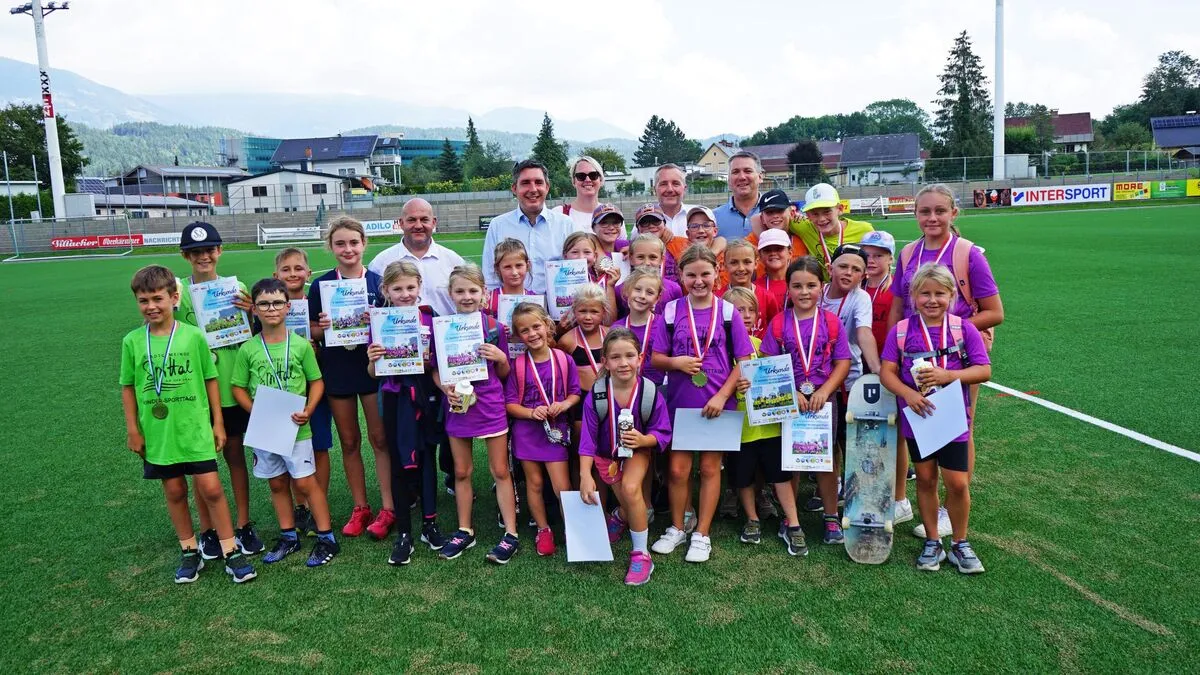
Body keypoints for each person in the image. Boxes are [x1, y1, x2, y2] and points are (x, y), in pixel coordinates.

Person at [119, 265, 256, 583]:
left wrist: (218, 422)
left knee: (211, 488)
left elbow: (210, 379)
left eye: (157, 298)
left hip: (195, 426)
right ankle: (189, 551)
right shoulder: (133, 342)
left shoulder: (194, 336)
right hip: (159, 431)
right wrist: (133, 429)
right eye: (143, 300)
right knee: (176, 490)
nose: (151, 306)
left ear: (174, 297)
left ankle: (230, 552)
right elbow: (127, 387)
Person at [887, 184, 1003, 539]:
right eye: (925, 211)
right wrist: (895, 343)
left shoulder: (969, 254)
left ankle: (951, 506)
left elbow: (995, 312)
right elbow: (897, 306)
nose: (932, 218)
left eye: (940, 210)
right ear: (916, 215)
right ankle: (910, 498)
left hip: (958, 356)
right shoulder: (908, 253)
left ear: (954, 213)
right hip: (913, 354)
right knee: (917, 420)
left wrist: (949, 331)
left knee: (959, 425)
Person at [880, 263, 992, 574]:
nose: (932, 300)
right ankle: (932, 541)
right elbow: (886, 372)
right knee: (926, 479)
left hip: (952, 418)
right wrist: (909, 394)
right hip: (918, 418)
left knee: (957, 483)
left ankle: (960, 542)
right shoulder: (901, 332)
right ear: (913, 296)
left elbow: (984, 370)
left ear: (952, 295)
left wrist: (948, 375)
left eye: (940, 294)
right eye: (925, 294)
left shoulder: (963, 328)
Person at [650, 245, 754, 563]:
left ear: (716, 274)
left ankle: (703, 533)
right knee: (679, 471)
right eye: (691, 274)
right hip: (681, 406)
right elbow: (655, 358)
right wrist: (677, 363)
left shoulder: (727, 311)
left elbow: (745, 359)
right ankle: (679, 526)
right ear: (680, 275)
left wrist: (723, 395)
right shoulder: (670, 312)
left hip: (718, 406)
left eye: (705, 274)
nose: (698, 281)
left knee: (710, 468)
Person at [231, 278, 339, 568]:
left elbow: (316, 382)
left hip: (297, 426)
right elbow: (238, 387)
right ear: (254, 309)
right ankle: (289, 536)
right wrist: (255, 411)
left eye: (277, 302)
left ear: (288, 307)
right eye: (264, 304)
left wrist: (309, 408)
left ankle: (327, 537)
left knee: (304, 482)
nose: (271, 309)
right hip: (265, 427)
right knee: (278, 483)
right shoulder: (248, 349)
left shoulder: (301, 345)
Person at [173, 221, 263, 559]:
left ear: (219, 251)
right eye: (196, 252)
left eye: (209, 250)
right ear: (185, 255)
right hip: (197, 392)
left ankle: (243, 524)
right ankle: (209, 530)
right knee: (202, 464)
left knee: (236, 458)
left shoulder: (235, 287)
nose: (203, 256)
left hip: (232, 387)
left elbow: (252, 332)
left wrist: (251, 311)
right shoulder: (178, 291)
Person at [309, 216, 394, 540]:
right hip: (338, 369)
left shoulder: (377, 283)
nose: (348, 249)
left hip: (371, 368)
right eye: (340, 243)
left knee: (380, 438)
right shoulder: (320, 286)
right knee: (349, 441)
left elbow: (391, 323)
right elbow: (313, 330)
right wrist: (326, 326)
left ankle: (388, 507)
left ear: (364, 244)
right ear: (331, 247)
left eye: (353, 242)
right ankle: (361, 507)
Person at [433, 264, 522, 564]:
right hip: (459, 405)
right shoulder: (442, 327)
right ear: (451, 294)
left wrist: (499, 357)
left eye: (473, 290)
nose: (467, 296)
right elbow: (436, 369)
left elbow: (506, 371)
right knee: (461, 471)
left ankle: (511, 533)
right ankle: (464, 529)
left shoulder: (495, 327)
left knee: (500, 471)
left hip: (490, 404)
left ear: (484, 293)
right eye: (460, 291)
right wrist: (444, 387)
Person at [760, 257, 851, 546]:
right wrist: (790, 391)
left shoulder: (832, 322)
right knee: (791, 459)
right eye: (797, 286)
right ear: (787, 288)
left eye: (811, 285)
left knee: (824, 460)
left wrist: (826, 391)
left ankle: (831, 516)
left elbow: (843, 362)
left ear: (821, 288)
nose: (804, 292)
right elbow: (768, 362)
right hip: (790, 400)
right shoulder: (778, 323)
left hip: (823, 401)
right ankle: (791, 516)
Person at [366, 261, 447, 566]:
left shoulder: (430, 317)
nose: (405, 294)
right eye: (397, 288)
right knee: (400, 463)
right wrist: (374, 359)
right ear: (385, 290)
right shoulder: (378, 321)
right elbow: (372, 373)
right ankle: (404, 533)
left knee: (427, 458)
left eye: (410, 287)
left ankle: (429, 523)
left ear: (419, 287)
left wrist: (427, 361)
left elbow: (439, 363)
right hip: (395, 399)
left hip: (427, 396)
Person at [579, 328, 673, 586]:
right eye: (616, 357)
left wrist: (644, 440)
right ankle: (620, 516)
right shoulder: (597, 394)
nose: (623, 363)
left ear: (640, 358)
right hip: (606, 458)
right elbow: (587, 439)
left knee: (632, 490)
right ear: (605, 362)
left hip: (637, 451)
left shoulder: (649, 392)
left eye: (630, 355)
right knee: (630, 506)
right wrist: (585, 475)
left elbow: (662, 432)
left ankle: (641, 556)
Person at [725, 286, 807, 556]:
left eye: (750, 310)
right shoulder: (722, 350)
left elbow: (780, 378)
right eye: (739, 310)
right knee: (743, 477)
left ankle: (793, 522)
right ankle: (752, 518)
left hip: (771, 426)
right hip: (740, 428)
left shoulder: (763, 347)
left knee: (780, 475)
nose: (745, 316)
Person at [505, 303, 581, 557]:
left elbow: (575, 393)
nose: (532, 334)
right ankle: (543, 529)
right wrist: (530, 412)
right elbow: (511, 404)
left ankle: (573, 529)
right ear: (518, 335)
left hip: (555, 432)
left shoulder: (564, 359)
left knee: (562, 486)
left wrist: (564, 404)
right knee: (534, 483)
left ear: (548, 325)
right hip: (527, 432)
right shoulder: (518, 365)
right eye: (524, 330)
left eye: (536, 326)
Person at [272, 247, 334, 536]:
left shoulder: (317, 303)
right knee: (286, 445)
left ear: (308, 273)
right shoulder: (269, 305)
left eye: (299, 268)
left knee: (318, 445)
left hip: (314, 388)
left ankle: (316, 501)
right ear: (276, 275)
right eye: (286, 269)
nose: (293, 274)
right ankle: (301, 507)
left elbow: (328, 337)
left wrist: (319, 337)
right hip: (280, 388)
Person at [482, 159, 584, 293]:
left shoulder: (566, 225)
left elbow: (577, 275)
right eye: (525, 183)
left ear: (547, 187)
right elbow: (491, 278)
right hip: (512, 310)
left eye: (538, 182)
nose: (533, 189)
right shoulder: (498, 225)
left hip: (555, 310)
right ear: (514, 188)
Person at [368, 198, 465, 317]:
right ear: (401, 223)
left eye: (424, 219)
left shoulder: (454, 261)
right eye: (412, 220)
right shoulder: (380, 263)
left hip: (446, 333)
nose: (418, 225)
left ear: (433, 222)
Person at [787, 183, 875, 281]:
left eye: (827, 211)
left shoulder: (864, 230)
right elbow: (779, 220)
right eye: (815, 214)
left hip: (855, 290)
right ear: (808, 215)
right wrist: (790, 210)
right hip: (825, 293)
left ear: (840, 209)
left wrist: (886, 276)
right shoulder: (803, 227)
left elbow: (879, 257)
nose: (821, 219)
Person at [553, 156, 623, 237]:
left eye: (593, 175)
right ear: (573, 181)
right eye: (581, 176)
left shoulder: (614, 214)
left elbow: (622, 247)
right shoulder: (558, 214)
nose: (587, 180)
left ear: (600, 179)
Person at [615, 234, 683, 316]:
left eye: (653, 257)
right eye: (640, 257)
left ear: (662, 259)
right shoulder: (620, 290)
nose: (647, 263)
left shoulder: (674, 289)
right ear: (631, 259)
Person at [722, 238, 779, 336]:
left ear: (756, 264)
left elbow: (775, 330)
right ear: (725, 265)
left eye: (747, 262)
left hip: (760, 351)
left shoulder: (767, 297)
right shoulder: (718, 298)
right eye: (734, 262)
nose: (741, 268)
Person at [746, 189, 809, 278]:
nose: (775, 216)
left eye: (780, 211)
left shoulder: (803, 238)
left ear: (791, 213)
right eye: (769, 212)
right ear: (762, 218)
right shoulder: (750, 243)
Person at [633, 203, 690, 286]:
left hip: (676, 295)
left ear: (664, 224)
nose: (651, 226)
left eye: (656, 221)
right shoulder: (632, 248)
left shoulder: (682, 244)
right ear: (638, 229)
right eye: (645, 223)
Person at [713, 151, 764, 240]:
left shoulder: (778, 213)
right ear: (728, 180)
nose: (742, 177)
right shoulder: (713, 218)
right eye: (735, 172)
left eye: (748, 171)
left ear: (760, 177)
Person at [485, 238, 539, 320]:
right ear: (497, 269)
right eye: (507, 267)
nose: (514, 272)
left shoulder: (535, 300)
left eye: (519, 265)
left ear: (528, 266)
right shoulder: (488, 300)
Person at [684, 206, 728, 289]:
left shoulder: (726, 257)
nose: (701, 230)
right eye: (694, 226)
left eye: (706, 225)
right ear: (688, 233)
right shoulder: (681, 250)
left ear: (715, 231)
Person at [754, 229, 794, 315]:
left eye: (779, 249)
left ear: (790, 253)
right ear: (760, 256)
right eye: (767, 250)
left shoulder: (801, 284)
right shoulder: (754, 288)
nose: (773, 253)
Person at [653, 163, 698, 238]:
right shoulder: (644, 221)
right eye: (663, 184)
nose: (670, 189)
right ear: (654, 189)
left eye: (675, 183)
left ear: (685, 189)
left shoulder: (701, 215)